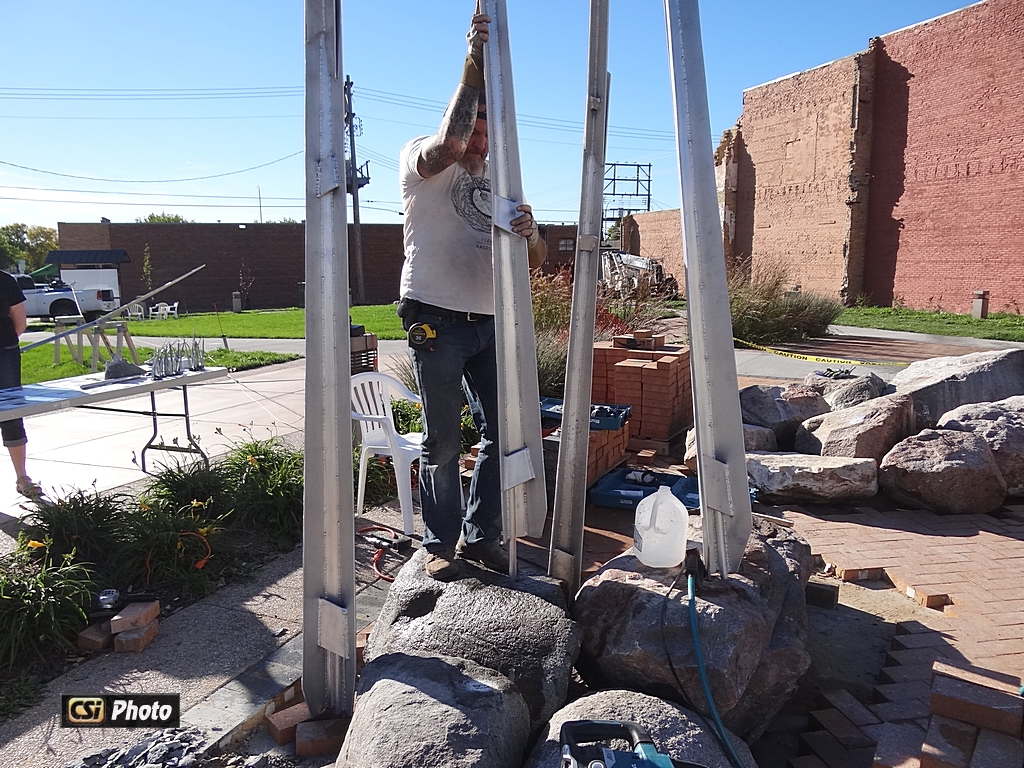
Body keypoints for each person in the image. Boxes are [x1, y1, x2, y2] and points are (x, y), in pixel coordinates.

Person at [397, 5, 546, 580]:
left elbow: (530, 260)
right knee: (441, 437)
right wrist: (474, 63)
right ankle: (439, 542)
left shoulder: (499, 179)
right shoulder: (422, 159)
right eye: (474, 127)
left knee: (502, 429)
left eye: (488, 129)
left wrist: (532, 235)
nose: (479, 139)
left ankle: (480, 537)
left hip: (489, 318)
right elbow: (450, 143)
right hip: (434, 314)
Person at [0, 271, 41, 498]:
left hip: (4, 353)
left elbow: (19, 321)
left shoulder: (5, 280)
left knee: (11, 413)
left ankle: (22, 477)